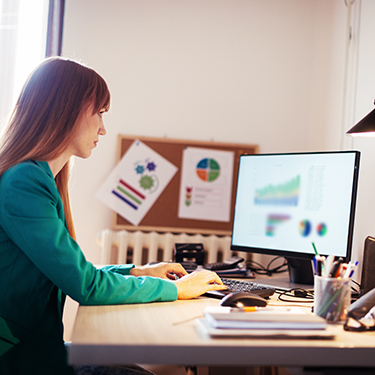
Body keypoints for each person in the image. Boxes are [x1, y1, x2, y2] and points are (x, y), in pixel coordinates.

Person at [0, 57, 226, 375]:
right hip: (17, 360)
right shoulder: (25, 182)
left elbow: (71, 273)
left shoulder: (38, 179)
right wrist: (179, 289)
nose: (103, 129)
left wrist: (137, 272)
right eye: (100, 113)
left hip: (36, 350)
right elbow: (85, 286)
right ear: (67, 111)